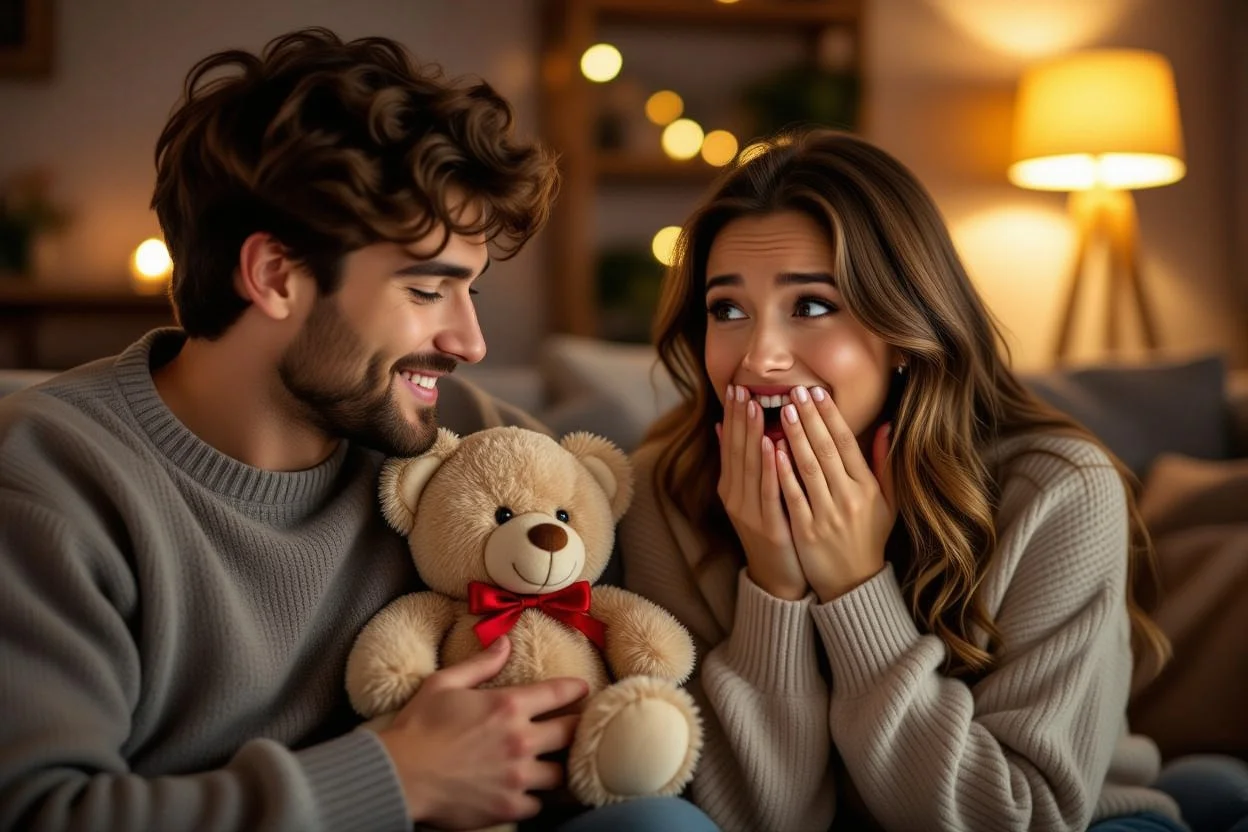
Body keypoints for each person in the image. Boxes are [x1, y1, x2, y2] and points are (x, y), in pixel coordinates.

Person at [0, 29, 717, 832]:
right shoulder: (49, 474)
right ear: (275, 276)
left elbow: (665, 536)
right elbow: (39, 811)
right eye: (426, 289)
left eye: (471, 290)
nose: (470, 343)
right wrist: (394, 777)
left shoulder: (470, 447)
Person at [618, 128, 1223, 832]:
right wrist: (773, 590)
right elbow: (752, 820)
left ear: (903, 330)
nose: (760, 357)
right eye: (728, 310)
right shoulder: (663, 487)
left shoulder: (1058, 490)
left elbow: (1015, 819)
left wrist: (854, 588)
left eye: (810, 306)